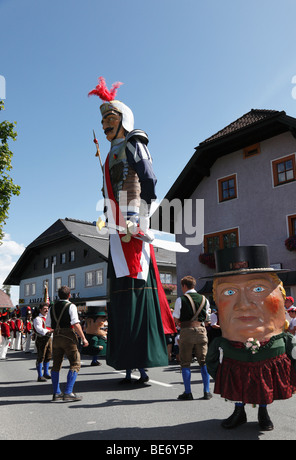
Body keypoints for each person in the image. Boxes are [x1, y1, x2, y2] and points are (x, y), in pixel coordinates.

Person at [88, 77, 176, 384]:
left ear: (123, 119)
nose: (104, 125)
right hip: (116, 227)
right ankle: (126, 362)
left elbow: (149, 179)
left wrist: (141, 216)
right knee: (122, 296)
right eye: (102, 121)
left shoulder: (134, 142)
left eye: (109, 119)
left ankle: (140, 363)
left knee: (138, 290)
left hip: (133, 223)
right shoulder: (111, 154)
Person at [206, 245, 296, 431]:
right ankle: (238, 411)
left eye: (258, 288)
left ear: (281, 298)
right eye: (229, 292)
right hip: (235, 361)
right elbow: (211, 360)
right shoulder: (221, 343)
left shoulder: (285, 340)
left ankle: (263, 413)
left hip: (268, 360)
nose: (244, 305)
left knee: (265, 386)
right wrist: (219, 373)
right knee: (238, 383)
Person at [46, 286, 89, 402]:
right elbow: (75, 323)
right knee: (75, 363)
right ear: (69, 295)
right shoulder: (71, 306)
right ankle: (69, 392)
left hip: (56, 337)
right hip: (68, 337)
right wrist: (83, 338)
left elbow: (48, 324)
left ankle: (56, 393)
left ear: (58, 296)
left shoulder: (52, 307)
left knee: (56, 365)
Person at [173, 275, 212, 400]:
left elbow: (176, 319)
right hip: (201, 331)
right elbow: (207, 318)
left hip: (187, 331)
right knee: (203, 361)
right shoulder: (204, 299)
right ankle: (206, 392)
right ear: (194, 285)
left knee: (185, 362)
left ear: (184, 286)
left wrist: (180, 324)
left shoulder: (181, 300)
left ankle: (188, 392)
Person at [33, 303, 53, 382]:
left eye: (47, 308)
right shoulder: (38, 319)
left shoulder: (48, 318)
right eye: (44, 309)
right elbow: (39, 329)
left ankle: (46, 373)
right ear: (40, 310)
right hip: (41, 339)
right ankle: (40, 376)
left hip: (49, 338)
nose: (46, 310)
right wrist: (49, 331)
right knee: (41, 357)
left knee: (48, 356)